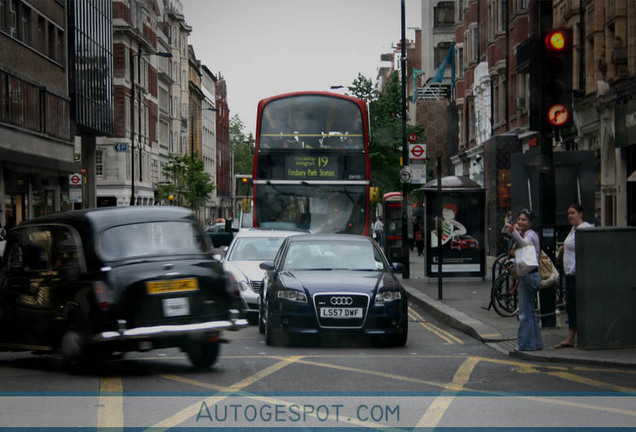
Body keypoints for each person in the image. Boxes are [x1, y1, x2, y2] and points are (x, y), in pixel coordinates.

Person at [554, 204, 594, 349]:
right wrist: (563, 248)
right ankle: (571, 338)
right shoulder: (573, 229)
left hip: (578, 275)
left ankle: (581, 337)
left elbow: (584, 251)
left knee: (579, 307)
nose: (570, 216)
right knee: (571, 307)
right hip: (570, 274)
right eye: (568, 213)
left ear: (580, 213)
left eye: (573, 213)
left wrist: (575, 268)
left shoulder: (585, 229)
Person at [505, 209, 543, 351]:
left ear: (530, 223)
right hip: (531, 274)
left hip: (529, 276)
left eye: (524, 220)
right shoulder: (526, 233)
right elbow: (525, 254)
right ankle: (537, 343)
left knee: (525, 313)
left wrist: (514, 232)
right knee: (531, 313)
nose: (520, 222)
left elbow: (524, 244)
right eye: (519, 219)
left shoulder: (530, 235)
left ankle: (526, 345)